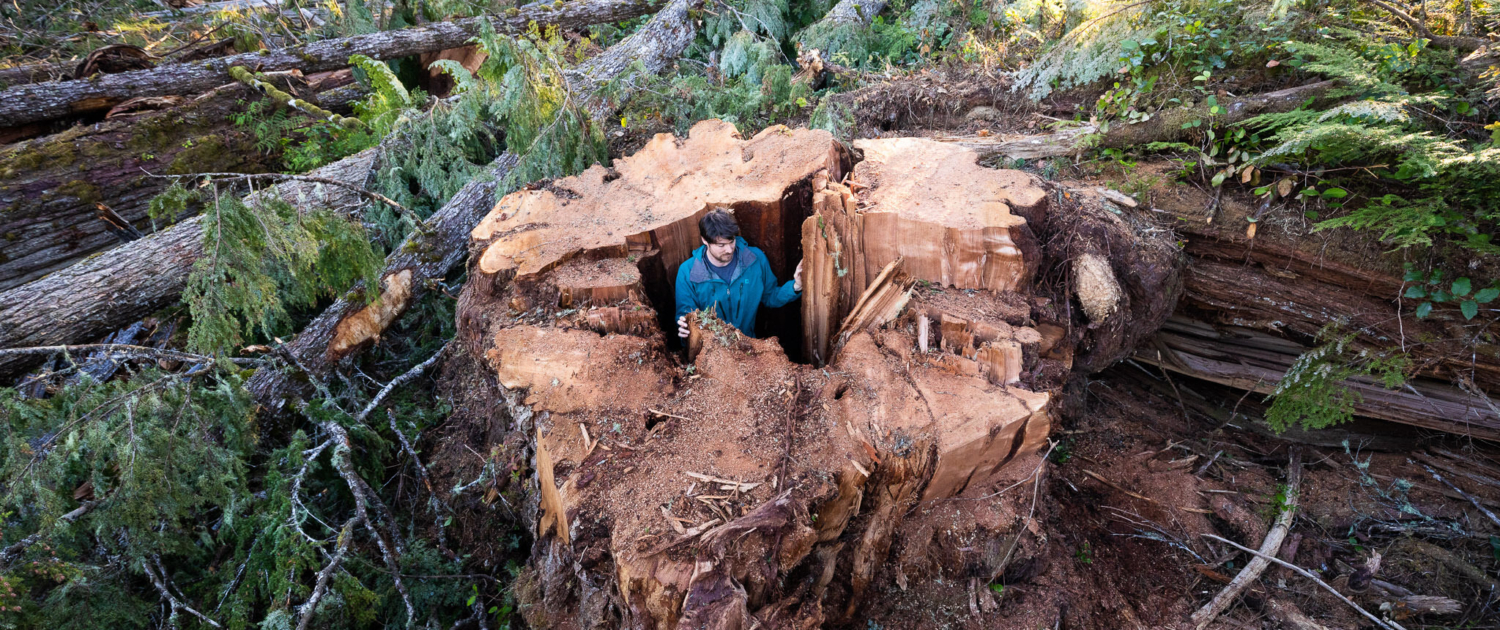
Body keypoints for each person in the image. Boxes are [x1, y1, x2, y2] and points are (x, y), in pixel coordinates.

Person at [675, 208, 803, 339]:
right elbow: (687, 315)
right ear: (705, 241)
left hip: (748, 344)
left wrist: (795, 287)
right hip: (712, 351)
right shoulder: (687, 272)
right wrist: (685, 330)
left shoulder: (755, 259)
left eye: (731, 242)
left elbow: (770, 296)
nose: (729, 250)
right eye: (721, 245)